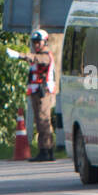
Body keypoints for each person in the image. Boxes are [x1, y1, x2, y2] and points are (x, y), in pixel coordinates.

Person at [25, 30, 57, 161]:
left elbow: (40, 60)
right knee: (39, 121)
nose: (36, 45)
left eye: (38, 42)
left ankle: (46, 151)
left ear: (45, 42)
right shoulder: (38, 54)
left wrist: (21, 55)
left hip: (43, 92)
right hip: (36, 91)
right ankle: (45, 150)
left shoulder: (45, 55)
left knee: (44, 120)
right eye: (34, 42)